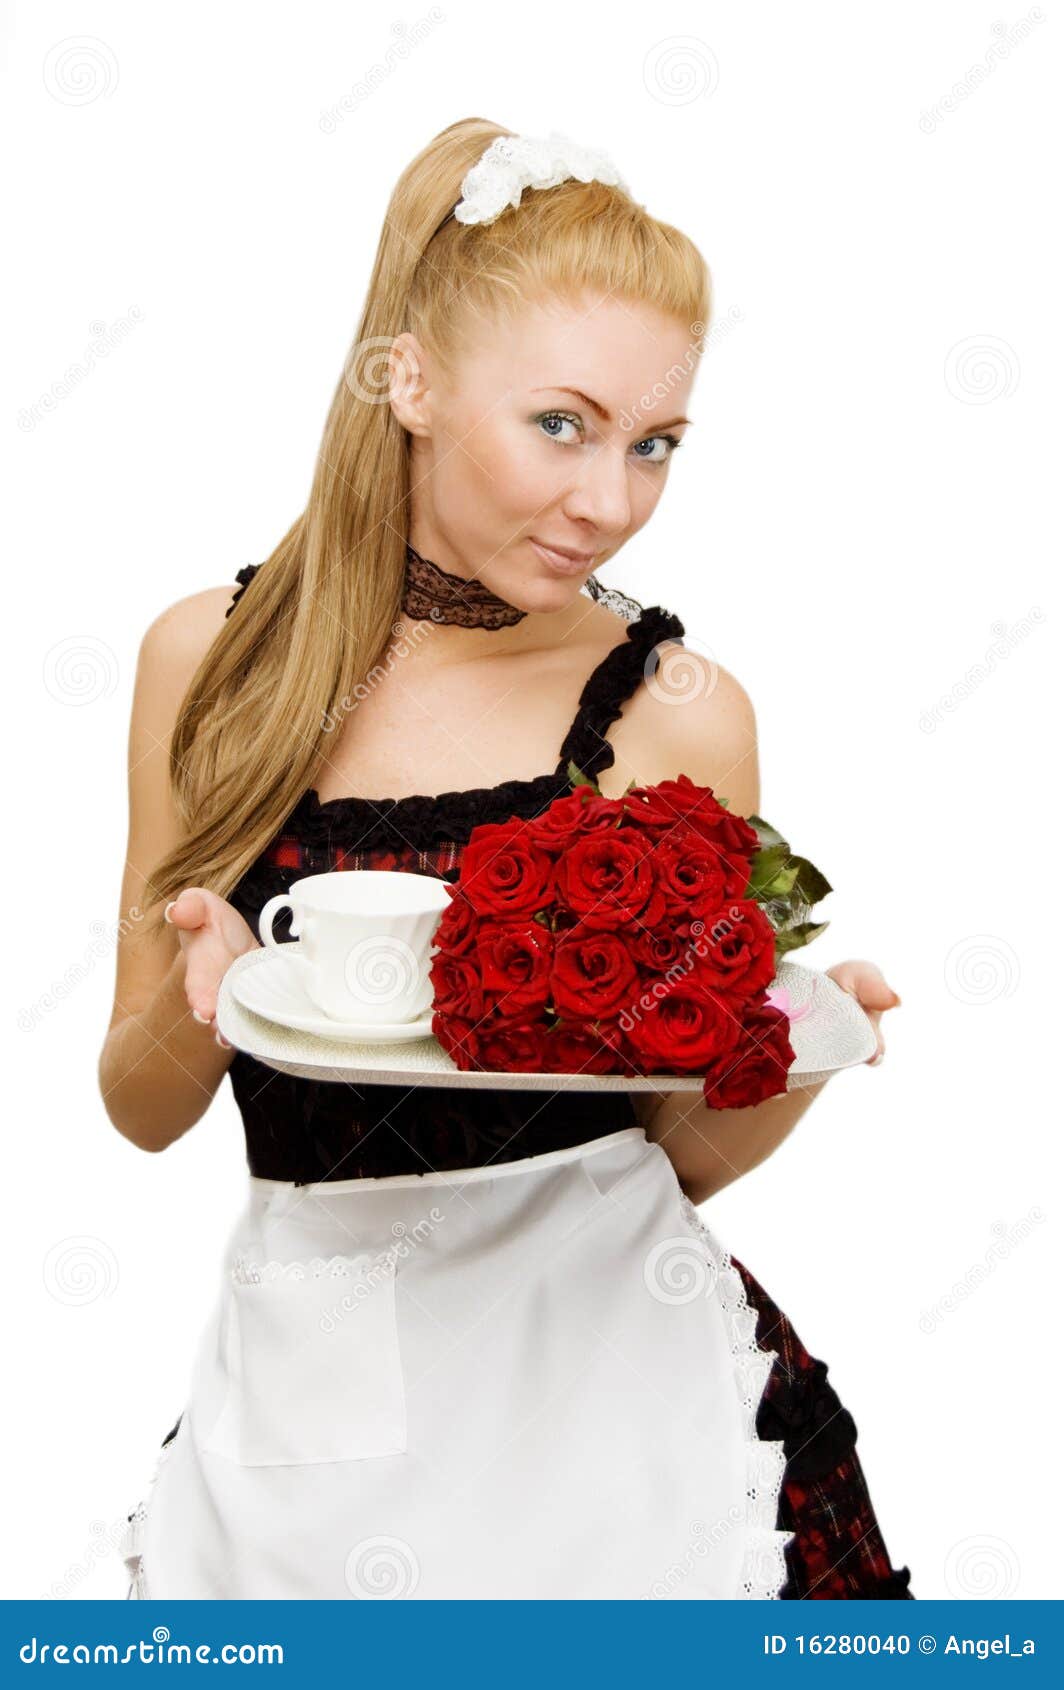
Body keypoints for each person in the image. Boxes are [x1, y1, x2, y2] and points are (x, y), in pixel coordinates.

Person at [98, 120, 911, 1600]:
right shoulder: (208, 662)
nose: (611, 498)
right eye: (562, 424)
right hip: (310, 1418)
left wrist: (783, 1061)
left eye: (653, 443)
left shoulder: (679, 711)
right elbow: (141, 1109)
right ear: (408, 380)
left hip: (631, 1400)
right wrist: (198, 998)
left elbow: (665, 1155)